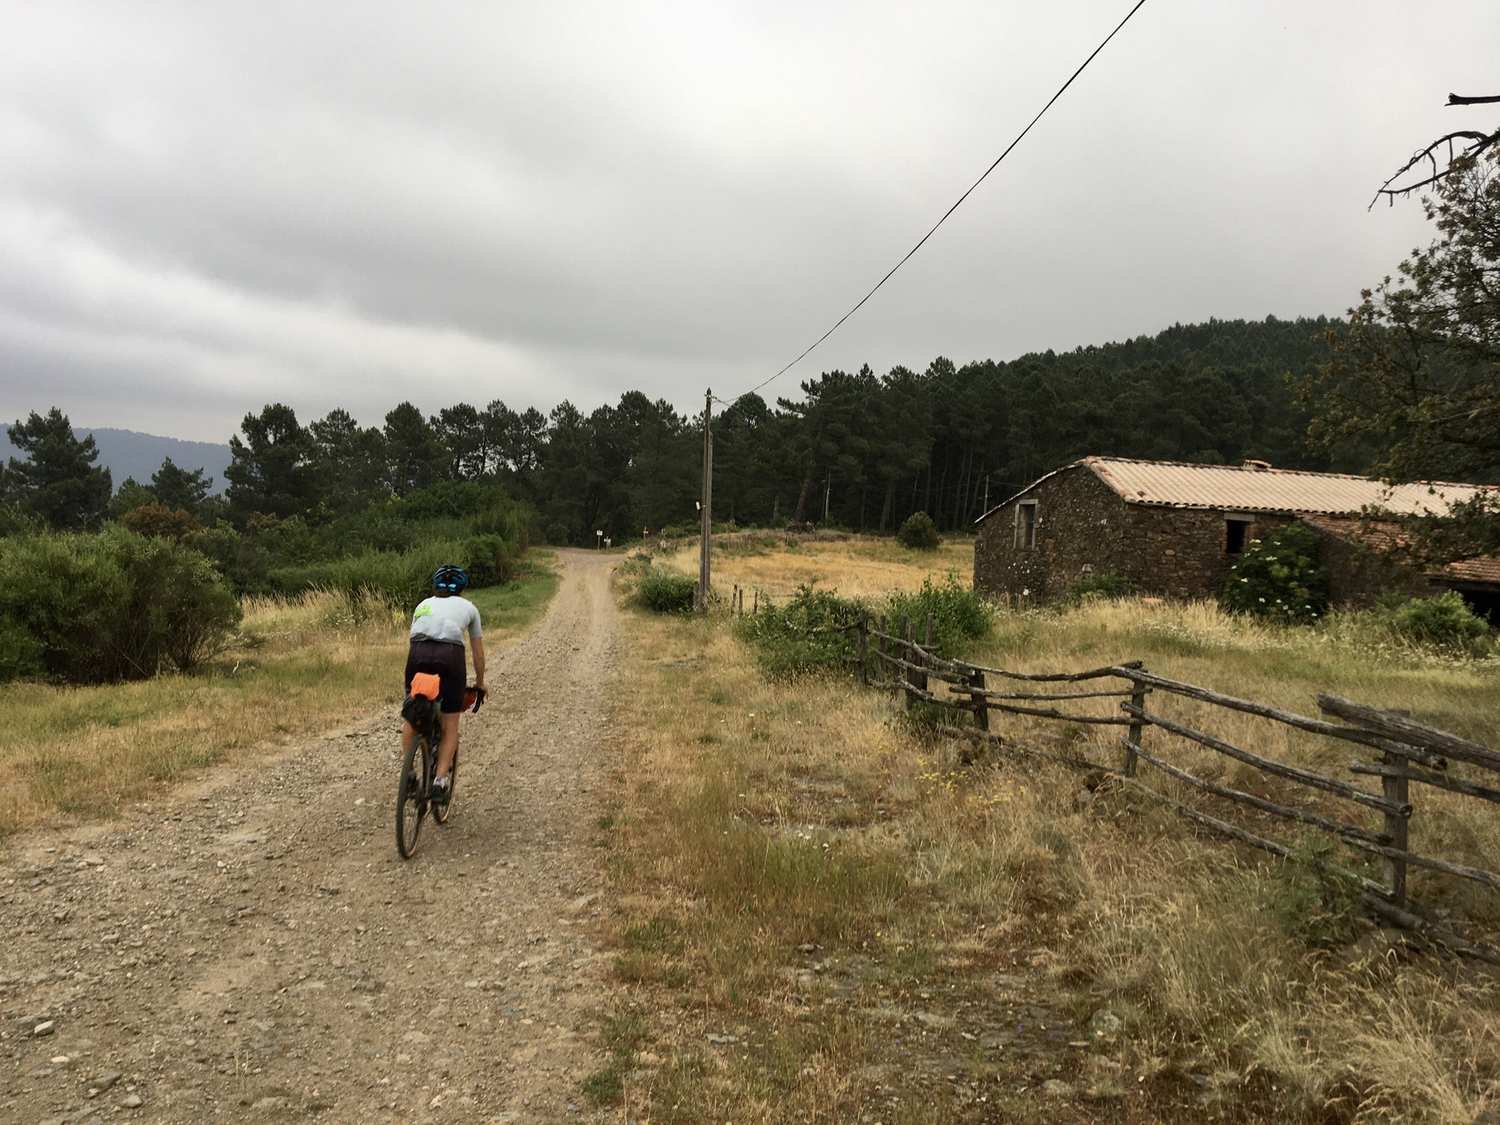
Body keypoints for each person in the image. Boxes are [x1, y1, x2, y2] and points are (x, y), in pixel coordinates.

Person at [403, 564, 485, 803]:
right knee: (450, 723)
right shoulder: (469, 608)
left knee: (412, 714)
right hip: (450, 656)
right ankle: (440, 781)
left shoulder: (422, 604)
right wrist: (480, 683)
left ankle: (408, 775)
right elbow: (478, 655)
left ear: (434, 587)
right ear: (461, 589)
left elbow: (414, 637)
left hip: (417, 654)